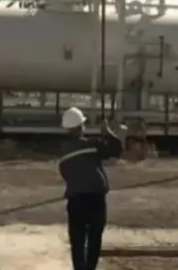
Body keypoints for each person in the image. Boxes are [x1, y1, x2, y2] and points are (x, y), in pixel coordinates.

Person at [57, 106, 126, 270]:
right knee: (94, 238)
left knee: (77, 240)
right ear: (82, 126)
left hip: (75, 200)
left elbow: (66, 173)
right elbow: (117, 150)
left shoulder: (63, 151)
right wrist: (106, 131)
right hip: (95, 198)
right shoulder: (92, 144)